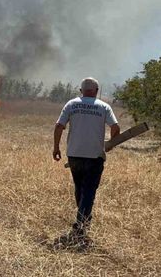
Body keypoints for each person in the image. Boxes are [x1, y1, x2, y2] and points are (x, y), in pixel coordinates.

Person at [52, 77, 120, 248]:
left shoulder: (71, 104)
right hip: (94, 156)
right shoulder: (104, 106)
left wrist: (56, 148)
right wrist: (111, 143)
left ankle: (83, 218)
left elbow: (59, 126)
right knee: (89, 190)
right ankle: (81, 224)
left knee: (79, 187)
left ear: (81, 91)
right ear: (96, 90)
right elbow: (116, 127)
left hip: (74, 154)